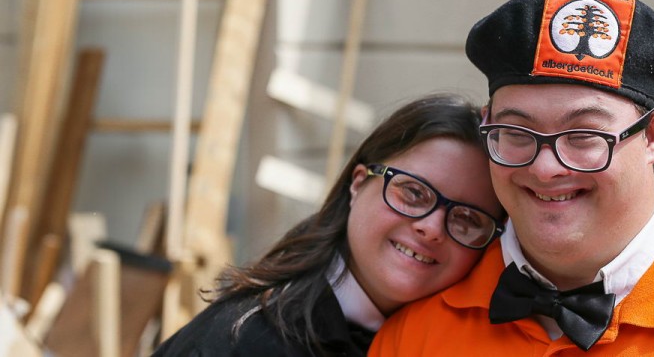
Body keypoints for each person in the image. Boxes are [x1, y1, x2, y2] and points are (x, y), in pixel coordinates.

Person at [369, 0, 654, 355]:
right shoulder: (412, 333)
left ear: (651, 138)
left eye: (583, 135)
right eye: (517, 133)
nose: (546, 168)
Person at [152, 93, 506, 356]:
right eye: (413, 193)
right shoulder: (251, 342)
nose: (431, 227)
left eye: (467, 219)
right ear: (357, 182)